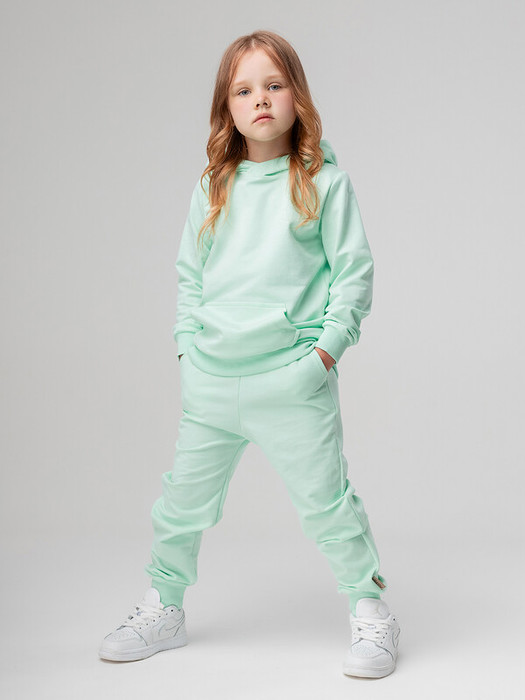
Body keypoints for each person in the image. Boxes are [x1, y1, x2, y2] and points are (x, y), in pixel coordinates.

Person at [99, 29, 401, 679]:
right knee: (180, 504)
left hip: (291, 379)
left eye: (273, 84)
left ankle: (370, 609)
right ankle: (164, 608)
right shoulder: (212, 185)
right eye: (243, 90)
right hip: (212, 379)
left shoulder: (324, 183)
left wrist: (321, 356)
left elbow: (353, 276)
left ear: (297, 96)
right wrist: (188, 352)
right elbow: (190, 275)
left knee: (327, 504)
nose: (259, 99)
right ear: (227, 109)